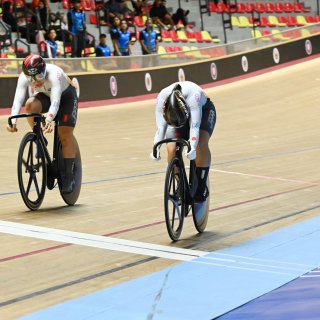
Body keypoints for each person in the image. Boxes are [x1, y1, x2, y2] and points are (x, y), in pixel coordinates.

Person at [7, 54, 79, 194]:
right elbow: (18, 99)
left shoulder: (54, 75)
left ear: (44, 71)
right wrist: (13, 121)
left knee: (64, 134)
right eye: (31, 79)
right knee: (30, 106)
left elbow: (56, 102)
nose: (35, 82)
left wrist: (49, 119)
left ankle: (69, 176)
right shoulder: (24, 77)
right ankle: (40, 138)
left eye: (39, 77)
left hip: (66, 97)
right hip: (46, 96)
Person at [151, 81, 217, 202]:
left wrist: (192, 146)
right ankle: (180, 185)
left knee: (200, 144)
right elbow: (160, 129)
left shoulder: (194, 97)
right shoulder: (161, 98)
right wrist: (155, 148)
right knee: (171, 148)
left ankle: (201, 187)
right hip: (177, 115)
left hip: (203, 110)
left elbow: (194, 127)